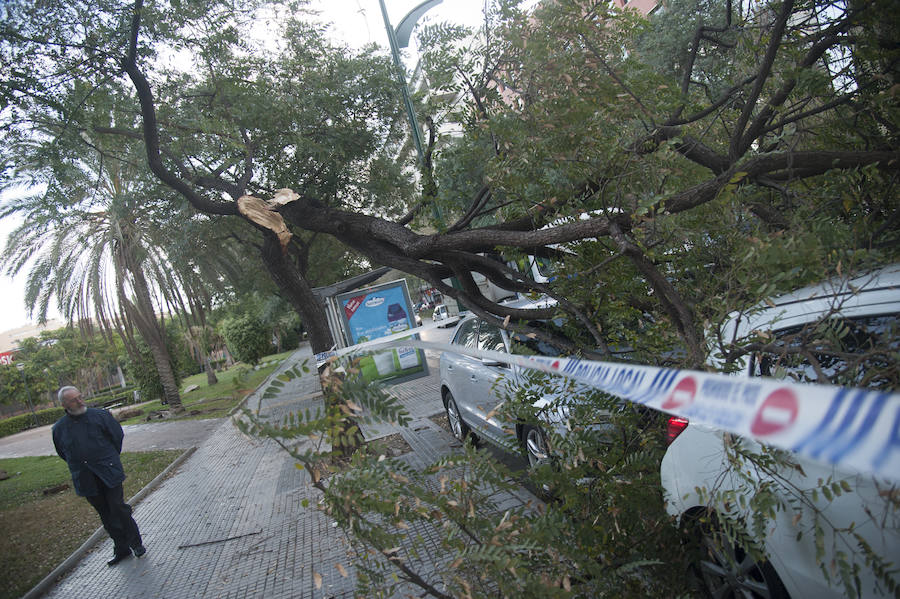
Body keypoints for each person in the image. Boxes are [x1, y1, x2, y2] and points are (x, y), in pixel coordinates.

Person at [52, 386, 147, 566]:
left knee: (118, 507)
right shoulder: (59, 429)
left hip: (109, 472)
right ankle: (121, 548)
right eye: (74, 400)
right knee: (105, 514)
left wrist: (108, 458)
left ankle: (136, 544)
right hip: (86, 478)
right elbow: (63, 452)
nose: (80, 401)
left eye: (80, 397)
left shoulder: (100, 416)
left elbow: (116, 437)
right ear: (64, 404)